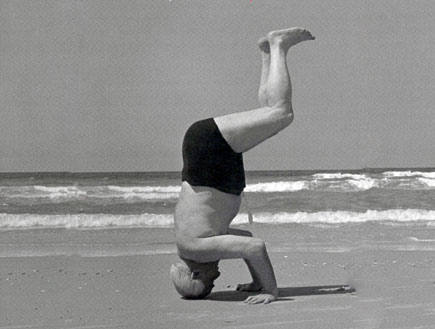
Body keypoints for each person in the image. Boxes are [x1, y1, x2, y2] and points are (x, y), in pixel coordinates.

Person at [170, 27, 315, 304]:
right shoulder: (189, 246)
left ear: (197, 275)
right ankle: (267, 52)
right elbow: (246, 240)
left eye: (211, 281)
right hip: (205, 156)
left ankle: (279, 45)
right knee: (269, 114)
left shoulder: (199, 251)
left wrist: (270, 291)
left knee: (281, 113)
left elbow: (254, 247)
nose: (217, 274)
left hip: (211, 158)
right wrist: (256, 281)